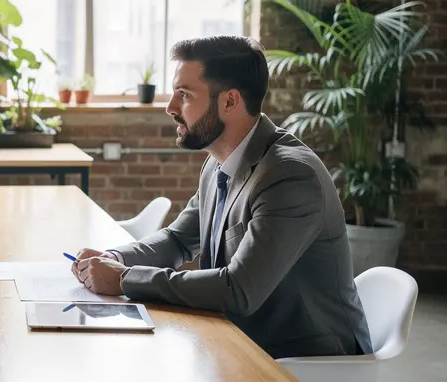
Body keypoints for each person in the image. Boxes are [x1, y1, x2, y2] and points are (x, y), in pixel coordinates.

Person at [72, 36, 372, 359]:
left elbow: (238, 289)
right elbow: (177, 240)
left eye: (184, 95)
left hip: (309, 362)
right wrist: (115, 259)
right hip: (242, 342)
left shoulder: (289, 176)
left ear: (229, 102)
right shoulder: (217, 164)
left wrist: (125, 280)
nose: (170, 108)